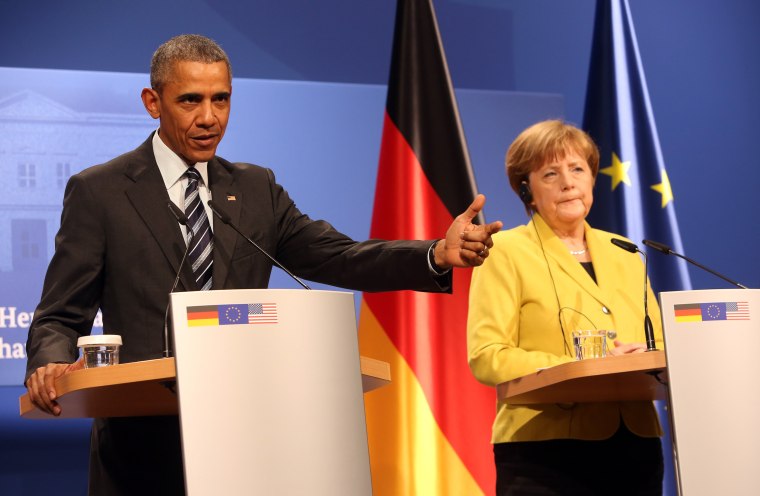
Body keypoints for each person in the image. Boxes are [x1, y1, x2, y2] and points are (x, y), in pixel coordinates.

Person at [24, 34, 502, 495]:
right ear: (153, 102)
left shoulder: (254, 189)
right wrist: (50, 362)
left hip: (247, 445)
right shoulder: (101, 192)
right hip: (142, 449)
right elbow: (60, 314)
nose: (209, 118)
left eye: (222, 100)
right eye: (190, 101)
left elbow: (339, 257)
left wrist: (435, 253)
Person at [467, 120, 664, 495]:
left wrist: (645, 355)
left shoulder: (624, 251)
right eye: (550, 173)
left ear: (591, 179)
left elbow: (655, 344)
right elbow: (487, 356)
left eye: (577, 169)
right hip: (543, 453)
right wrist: (577, 368)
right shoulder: (505, 252)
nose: (568, 183)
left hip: (635, 444)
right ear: (527, 190)